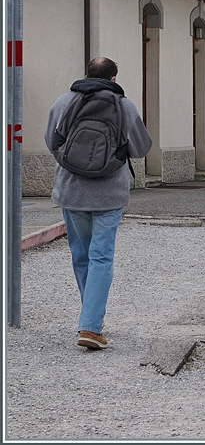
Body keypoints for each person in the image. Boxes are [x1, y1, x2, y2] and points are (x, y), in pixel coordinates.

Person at [45, 57, 152, 350]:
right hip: (108, 195)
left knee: (81, 257)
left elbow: (50, 141)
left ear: (86, 74)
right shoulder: (124, 106)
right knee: (101, 257)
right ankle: (90, 326)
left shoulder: (64, 102)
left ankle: (90, 321)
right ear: (113, 78)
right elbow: (141, 148)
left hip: (71, 192)